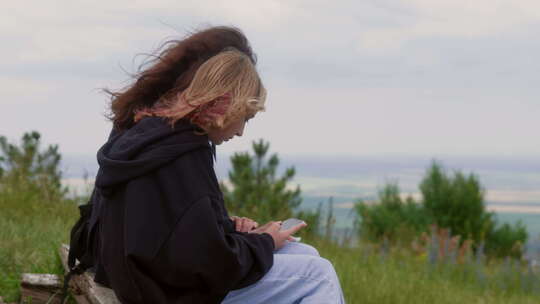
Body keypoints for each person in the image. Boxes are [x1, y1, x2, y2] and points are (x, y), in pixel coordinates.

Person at [90, 26, 345, 304]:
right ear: (224, 104)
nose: (240, 132)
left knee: (305, 255)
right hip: (164, 290)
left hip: (139, 275)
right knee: (318, 275)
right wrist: (264, 242)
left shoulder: (150, 134)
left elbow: (173, 229)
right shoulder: (184, 150)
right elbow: (206, 262)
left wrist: (229, 229)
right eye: (245, 118)